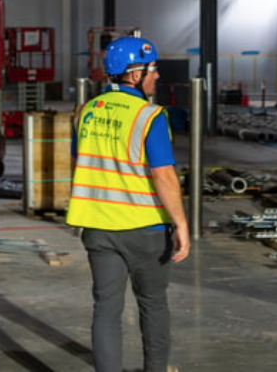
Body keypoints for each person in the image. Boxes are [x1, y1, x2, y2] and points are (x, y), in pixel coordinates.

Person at [66, 36, 190, 372]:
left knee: (106, 309)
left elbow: (83, 164)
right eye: (153, 70)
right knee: (153, 305)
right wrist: (181, 223)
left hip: (97, 228)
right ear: (135, 75)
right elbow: (164, 176)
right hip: (145, 230)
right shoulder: (150, 116)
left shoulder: (85, 112)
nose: (157, 76)